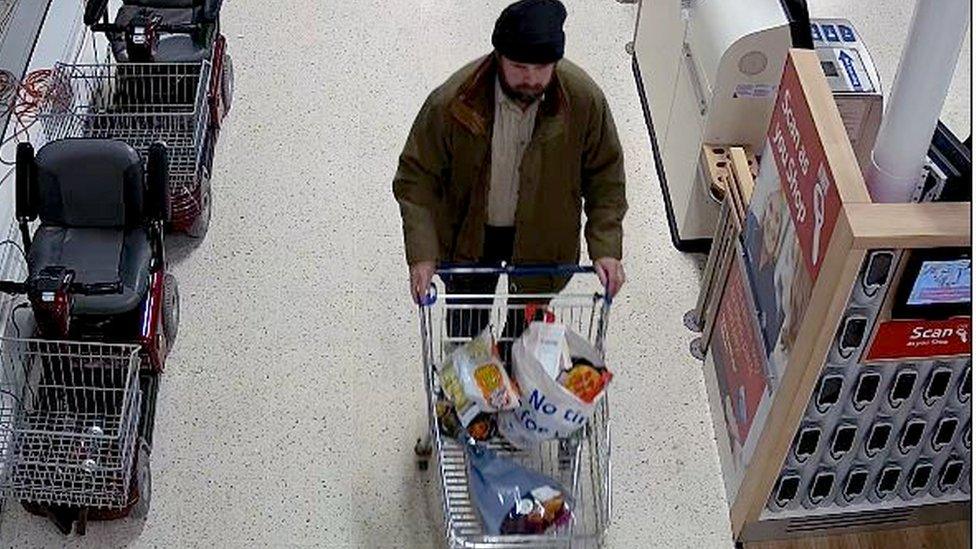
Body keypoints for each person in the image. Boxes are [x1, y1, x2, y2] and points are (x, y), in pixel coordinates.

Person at [393, 0, 627, 339]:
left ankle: (515, 369)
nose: (531, 78)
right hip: (470, 237)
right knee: (467, 324)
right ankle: (471, 372)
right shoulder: (454, 102)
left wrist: (605, 246)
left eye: (542, 67)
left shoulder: (584, 103)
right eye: (518, 66)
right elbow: (416, 177)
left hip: (542, 237)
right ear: (498, 56)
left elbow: (605, 176)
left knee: (526, 328)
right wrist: (423, 252)